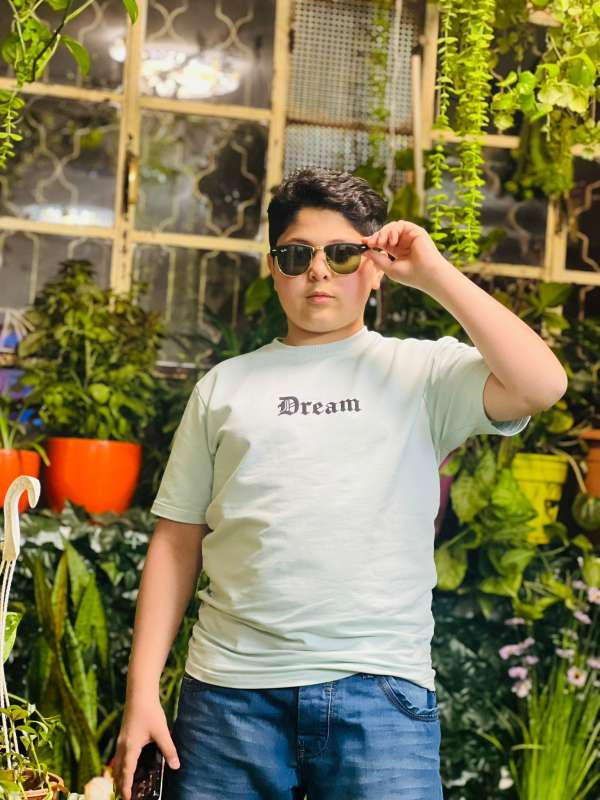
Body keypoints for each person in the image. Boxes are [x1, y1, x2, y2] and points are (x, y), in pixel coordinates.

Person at [113, 167, 568, 800]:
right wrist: (141, 694)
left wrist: (435, 273)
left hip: (381, 693)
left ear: (375, 266)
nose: (319, 272)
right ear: (274, 268)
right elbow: (176, 540)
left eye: (343, 254)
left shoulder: (422, 372)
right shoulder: (223, 387)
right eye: (297, 255)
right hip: (230, 695)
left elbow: (542, 385)